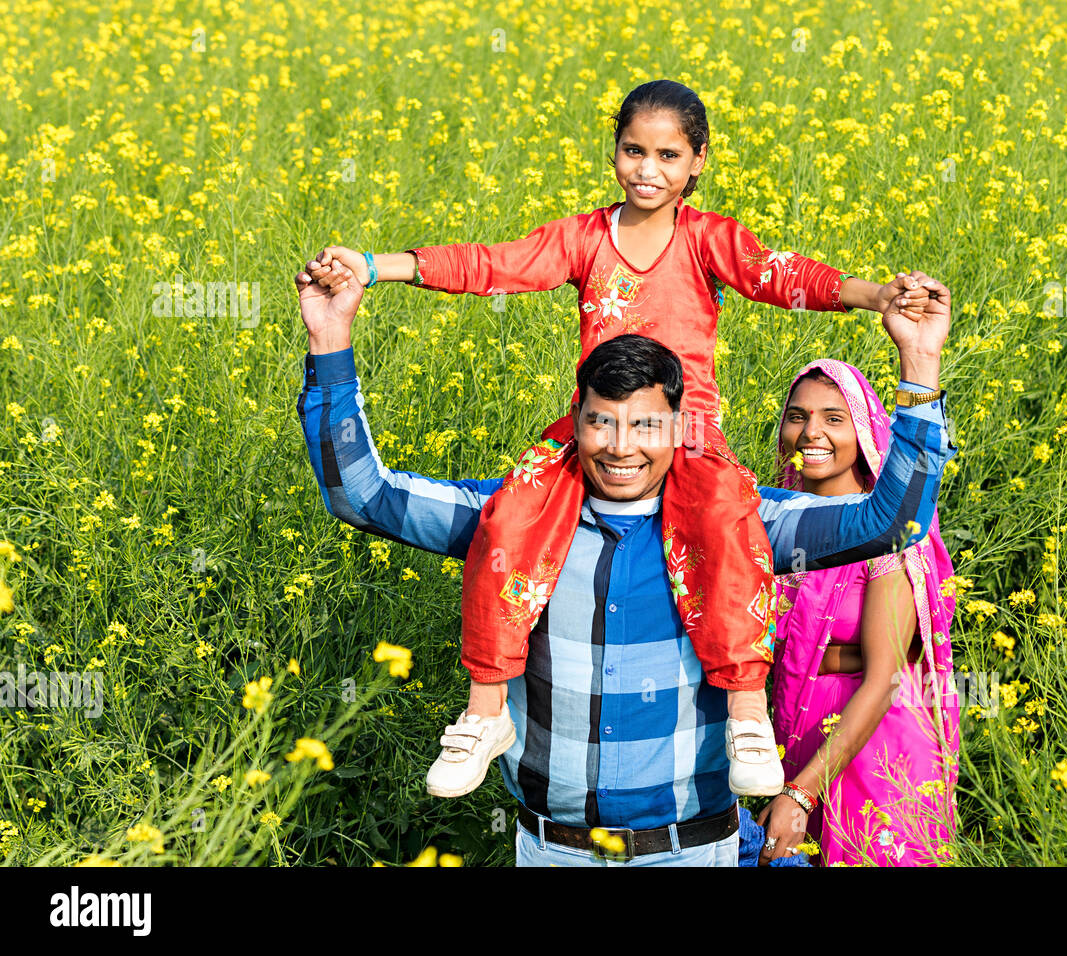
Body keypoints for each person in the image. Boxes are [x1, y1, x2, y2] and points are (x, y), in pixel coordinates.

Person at [303, 78, 934, 800]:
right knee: (510, 517)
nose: (647, 170)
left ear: (697, 161)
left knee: (728, 531)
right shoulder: (583, 238)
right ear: (613, 152)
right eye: (633, 150)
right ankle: (486, 714)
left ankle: (746, 712)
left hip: (688, 435)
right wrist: (375, 269)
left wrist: (876, 297)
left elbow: (780, 275)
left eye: (668, 155)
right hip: (590, 432)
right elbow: (494, 265)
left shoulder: (706, 240)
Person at [293, 256, 957, 866]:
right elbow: (363, 496)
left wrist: (920, 369)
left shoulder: (740, 523)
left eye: (644, 426)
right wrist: (330, 341)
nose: (620, 448)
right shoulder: (509, 518)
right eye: (601, 423)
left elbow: (891, 521)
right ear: (574, 421)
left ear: (678, 427)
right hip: (551, 849)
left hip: (691, 850)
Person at [755, 360, 960, 866]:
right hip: (795, 733)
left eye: (833, 418)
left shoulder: (882, 538)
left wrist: (801, 792)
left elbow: (886, 676)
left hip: (876, 746)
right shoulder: (773, 525)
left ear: (863, 430)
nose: (811, 433)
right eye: (798, 417)